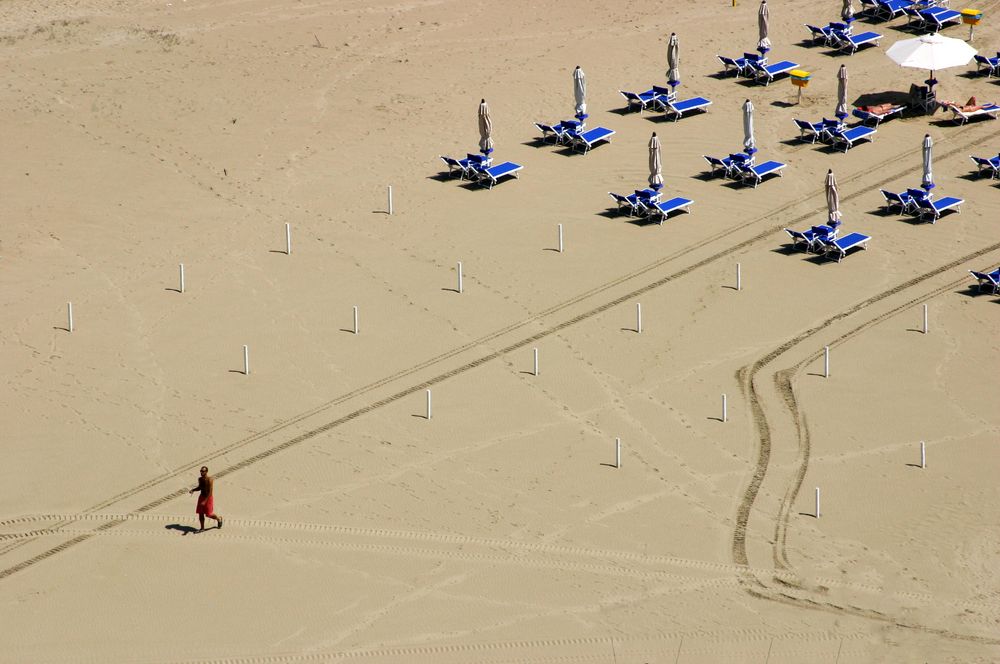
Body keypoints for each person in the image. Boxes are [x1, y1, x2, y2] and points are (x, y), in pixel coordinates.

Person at [189, 466, 223, 532]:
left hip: (208, 498)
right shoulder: (200, 479)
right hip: (201, 497)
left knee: (209, 514)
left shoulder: (210, 479)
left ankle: (219, 519)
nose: (201, 472)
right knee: (200, 513)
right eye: (201, 471)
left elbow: (210, 492)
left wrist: (205, 501)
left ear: (206, 472)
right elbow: (200, 487)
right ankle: (202, 528)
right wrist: (193, 490)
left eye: (203, 471)